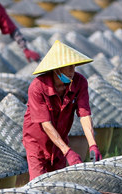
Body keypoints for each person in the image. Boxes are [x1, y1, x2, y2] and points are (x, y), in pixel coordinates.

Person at [23, 40, 102, 180]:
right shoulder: (38, 87)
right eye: (68, 67)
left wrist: (93, 144)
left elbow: (84, 114)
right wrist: (68, 152)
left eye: (74, 66)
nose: (72, 70)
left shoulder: (80, 82)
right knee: (39, 184)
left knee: (58, 183)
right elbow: (45, 124)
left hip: (60, 141)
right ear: (57, 69)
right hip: (37, 143)